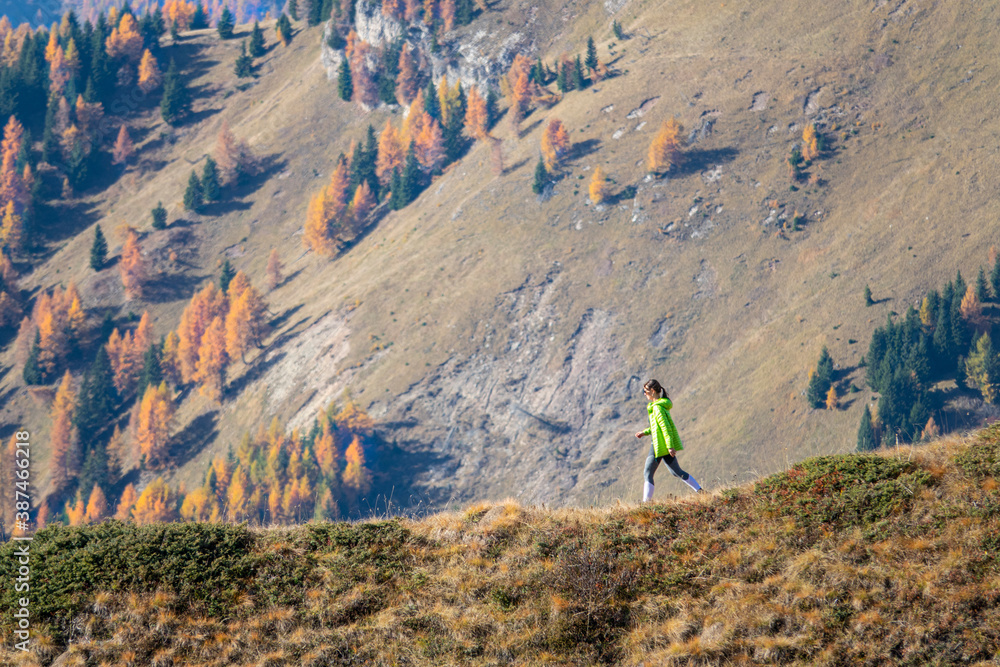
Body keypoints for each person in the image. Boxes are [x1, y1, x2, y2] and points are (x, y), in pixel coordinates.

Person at [635, 379, 703, 501]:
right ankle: (700, 491)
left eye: (645, 391)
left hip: (659, 445)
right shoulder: (658, 406)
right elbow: (656, 427)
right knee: (676, 472)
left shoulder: (657, 408)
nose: (644, 394)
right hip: (662, 444)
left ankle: (646, 505)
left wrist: (670, 446)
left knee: (648, 473)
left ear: (652, 391)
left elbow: (666, 428)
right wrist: (644, 432)